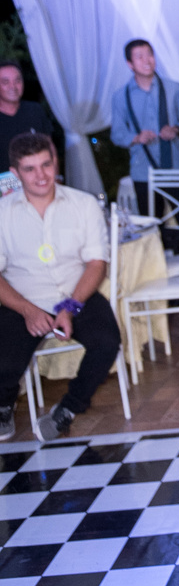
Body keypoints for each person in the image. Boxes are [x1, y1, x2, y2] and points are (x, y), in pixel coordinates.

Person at [0, 132, 120, 442]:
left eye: (46, 164)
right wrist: (27, 310)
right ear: (15, 173)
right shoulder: (2, 213)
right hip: (23, 299)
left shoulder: (84, 204)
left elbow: (96, 264)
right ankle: (3, 404)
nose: (41, 175)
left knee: (107, 342)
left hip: (76, 294)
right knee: (4, 360)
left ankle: (68, 408)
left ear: (55, 162)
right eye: (29, 169)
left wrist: (70, 307)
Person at [110, 39, 179, 218]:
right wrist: (136, 138)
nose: (147, 60)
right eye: (139, 57)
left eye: (150, 54)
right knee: (151, 225)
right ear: (130, 64)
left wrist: (176, 130)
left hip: (176, 168)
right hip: (143, 170)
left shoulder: (173, 88)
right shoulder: (121, 96)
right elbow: (117, 133)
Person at [0, 61, 52, 175]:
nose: (13, 87)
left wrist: (54, 175)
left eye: (17, 81)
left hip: (38, 178)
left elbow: (49, 147)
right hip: (4, 182)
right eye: (5, 82)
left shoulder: (34, 110)